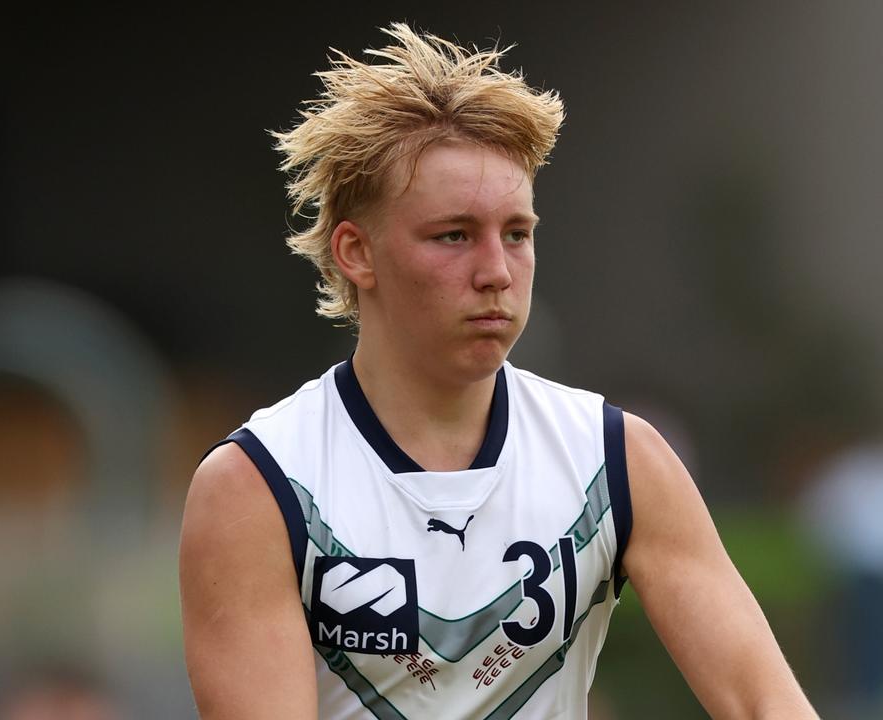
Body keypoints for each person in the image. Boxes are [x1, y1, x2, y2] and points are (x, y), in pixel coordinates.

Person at [179, 23, 818, 719]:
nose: (496, 272)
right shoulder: (259, 485)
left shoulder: (617, 460)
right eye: (453, 235)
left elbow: (765, 706)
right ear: (357, 253)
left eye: (517, 234)